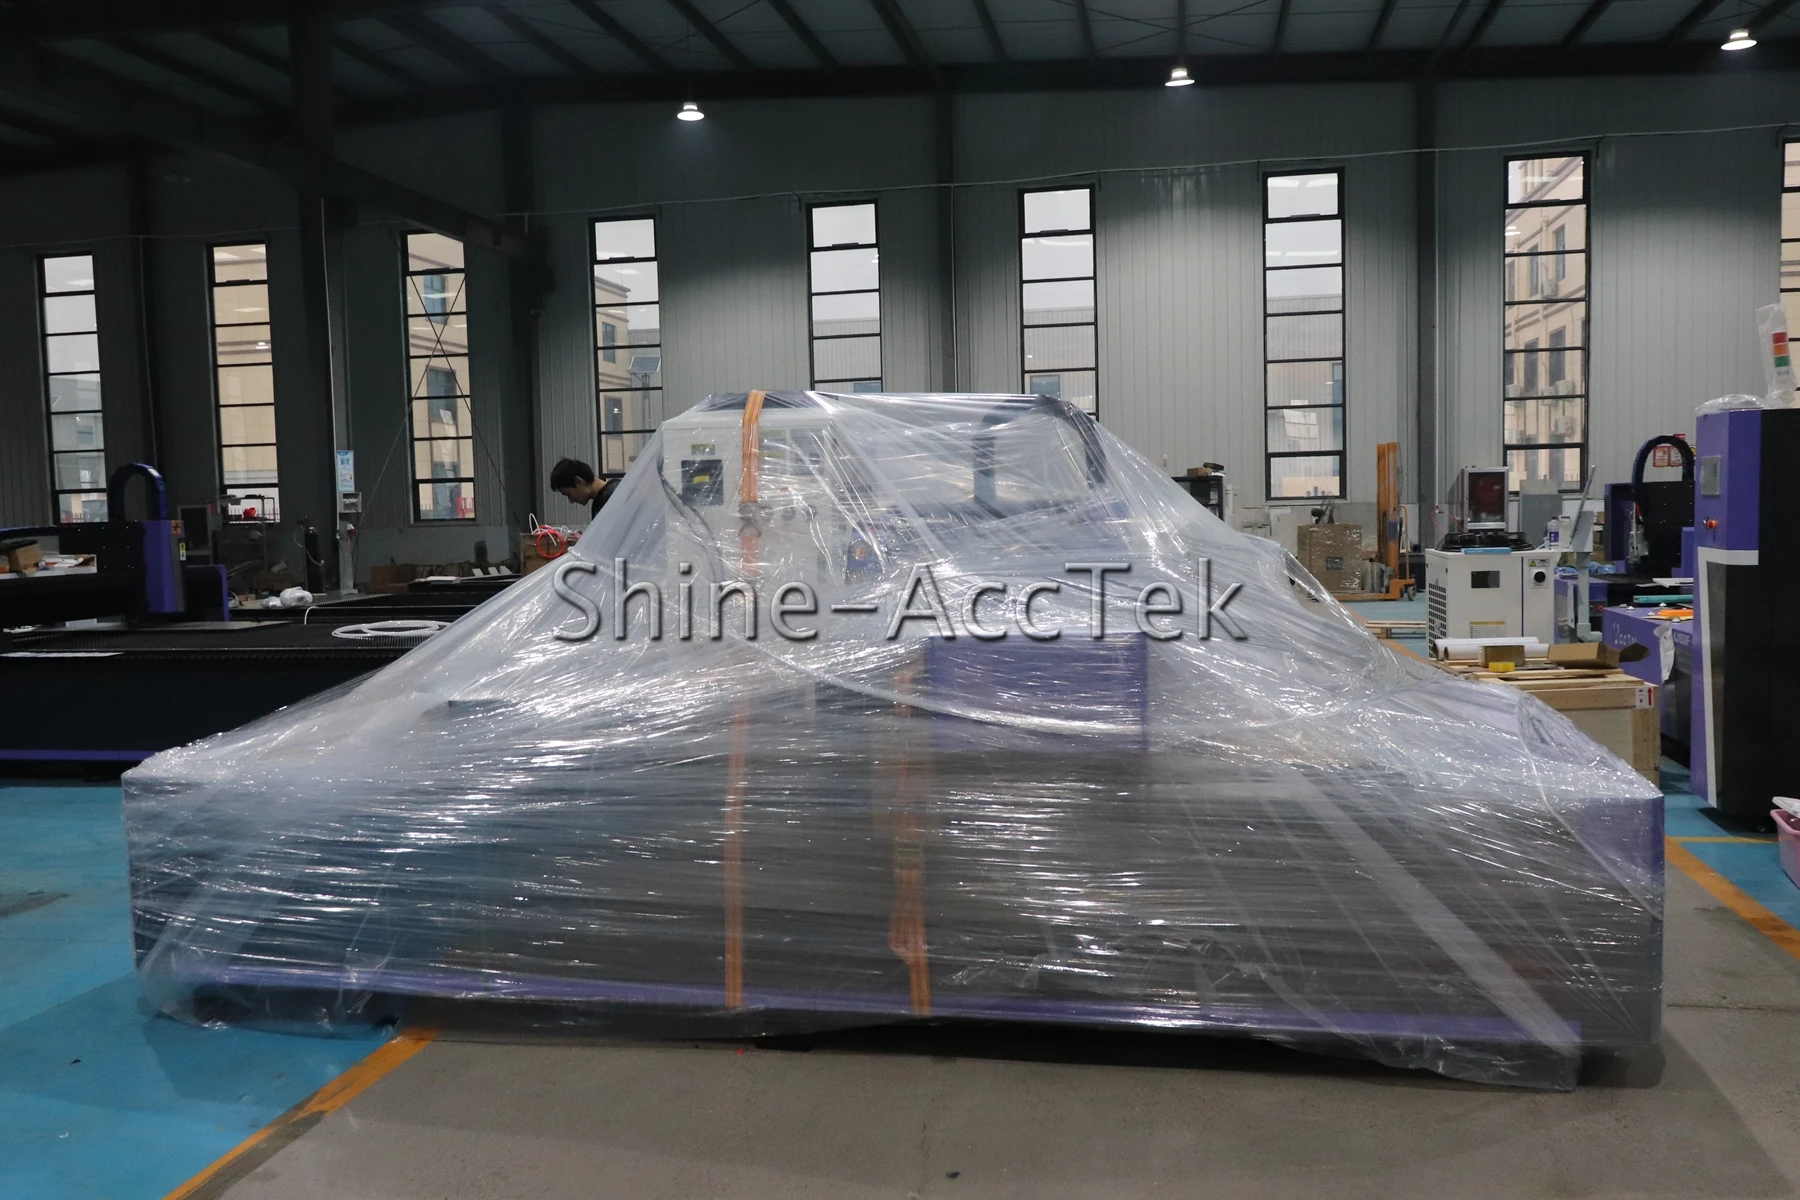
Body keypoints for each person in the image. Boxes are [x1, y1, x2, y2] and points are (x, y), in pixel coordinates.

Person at [550, 458, 618, 519]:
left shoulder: (612, 498)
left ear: (578, 481)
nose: (571, 501)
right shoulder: (601, 501)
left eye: (568, 494)